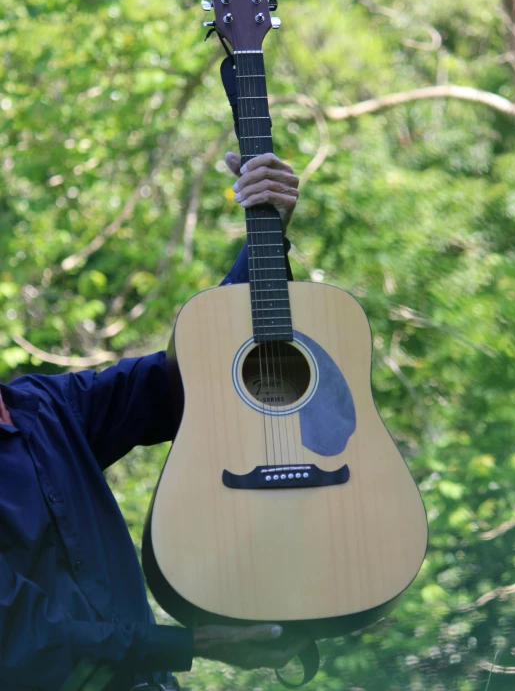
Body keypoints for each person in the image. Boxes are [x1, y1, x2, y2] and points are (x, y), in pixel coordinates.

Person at [0, 151, 308, 691]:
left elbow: (198, 372)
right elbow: (20, 634)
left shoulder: (45, 408)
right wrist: (190, 645)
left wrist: (265, 233)